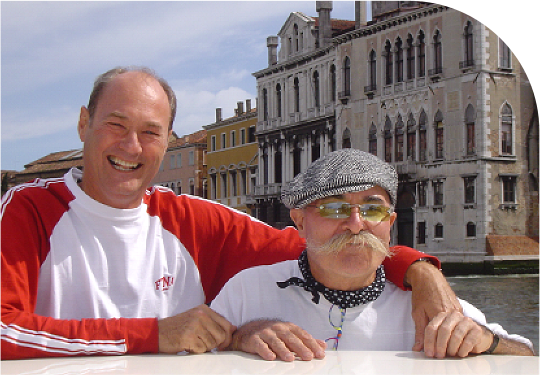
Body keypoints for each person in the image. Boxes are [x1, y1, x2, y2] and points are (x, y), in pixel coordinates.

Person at [0, 67, 458, 360]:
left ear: (169, 141)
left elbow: (327, 241)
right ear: (84, 124)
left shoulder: (197, 221)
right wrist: (152, 336)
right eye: (115, 126)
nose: (131, 147)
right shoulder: (28, 210)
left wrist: (418, 270)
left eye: (150, 132)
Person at [211, 149, 535, 361]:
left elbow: (524, 354)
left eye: (372, 208)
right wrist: (239, 337)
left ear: (390, 222)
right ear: (299, 221)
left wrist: (487, 342)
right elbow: (198, 354)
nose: (355, 224)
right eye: (334, 207)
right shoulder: (247, 291)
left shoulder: (427, 303)